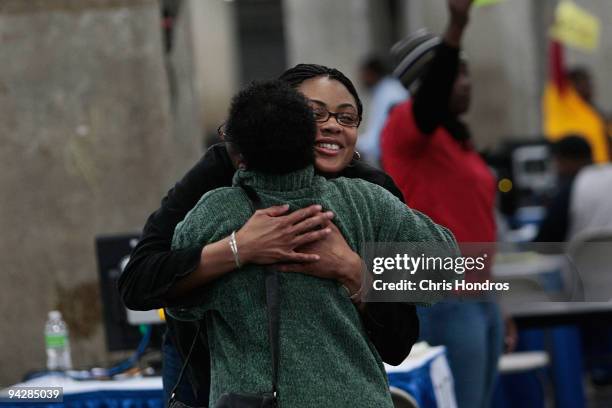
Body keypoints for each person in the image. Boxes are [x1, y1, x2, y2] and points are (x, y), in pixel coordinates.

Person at [118, 64, 421, 404]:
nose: (333, 126)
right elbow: (138, 282)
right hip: (212, 376)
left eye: (347, 118)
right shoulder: (223, 172)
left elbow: (445, 276)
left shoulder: (371, 191)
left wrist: (352, 269)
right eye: (315, 114)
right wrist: (239, 247)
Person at [381, 1, 504, 407]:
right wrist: (456, 27)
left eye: (467, 72)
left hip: (478, 291)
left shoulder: (455, 140)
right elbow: (431, 95)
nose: (467, 83)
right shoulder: (404, 127)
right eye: (457, 74)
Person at [534, 135, 593, 242]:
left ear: (566, 161)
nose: (557, 168)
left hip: (582, 257)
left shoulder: (572, 190)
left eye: (557, 161)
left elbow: (544, 241)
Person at [356, 55, 409, 167]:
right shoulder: (388, 89)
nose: (361, 78)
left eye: (363, 74)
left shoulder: (387, 94)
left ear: (371, 73)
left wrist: (352, 145)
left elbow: (377, 138)